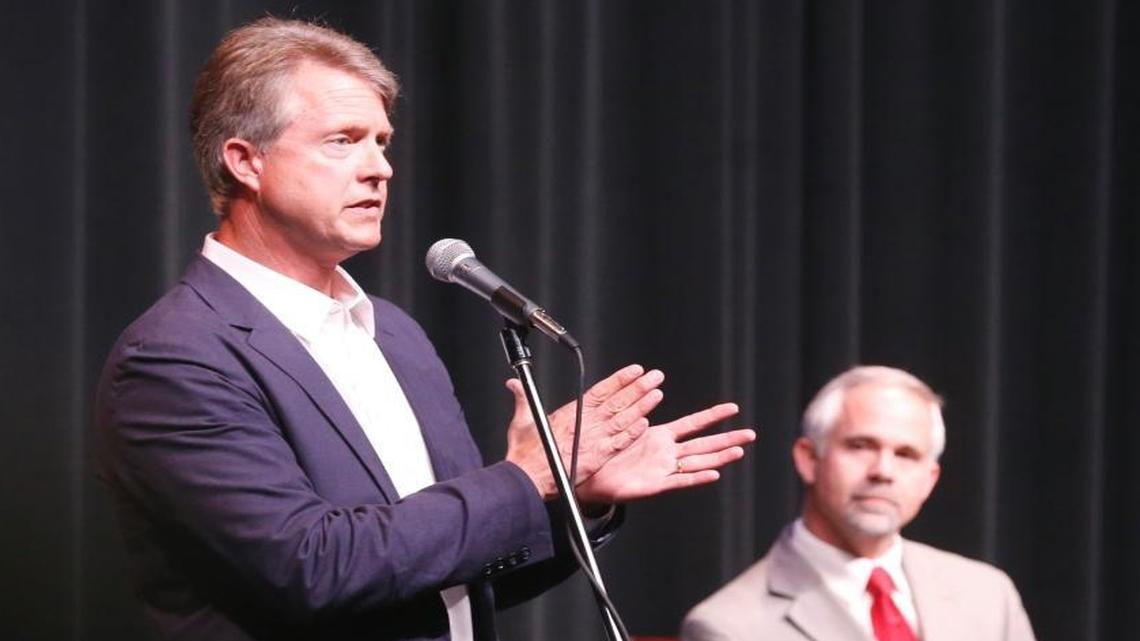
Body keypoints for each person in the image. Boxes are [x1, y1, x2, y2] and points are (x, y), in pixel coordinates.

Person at [93, 17, 755, 641]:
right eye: (342, 140)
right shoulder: (177, 357)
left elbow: (453, 571)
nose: (379, 166)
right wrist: (526, 479)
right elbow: (313, 566)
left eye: (382, 141)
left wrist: (572, 496)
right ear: (246, 160)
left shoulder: (394, 335)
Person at [681, 366, 1035, 641]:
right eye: (861, 446)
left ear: (930, 479)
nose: (883, 471)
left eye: (906, 454)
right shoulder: (728, 627)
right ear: (808, 458)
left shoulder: (989, 594)